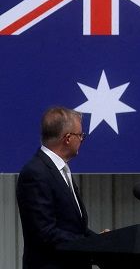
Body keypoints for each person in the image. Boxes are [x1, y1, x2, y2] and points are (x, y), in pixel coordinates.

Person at [16, 107, 95, 269]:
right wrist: (91, 245)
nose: (81, 140)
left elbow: (73, 227)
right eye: (80, 135)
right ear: (67, 138)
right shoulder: (35, 173)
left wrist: (102, 242)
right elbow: (45, 233)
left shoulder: (60, 170)